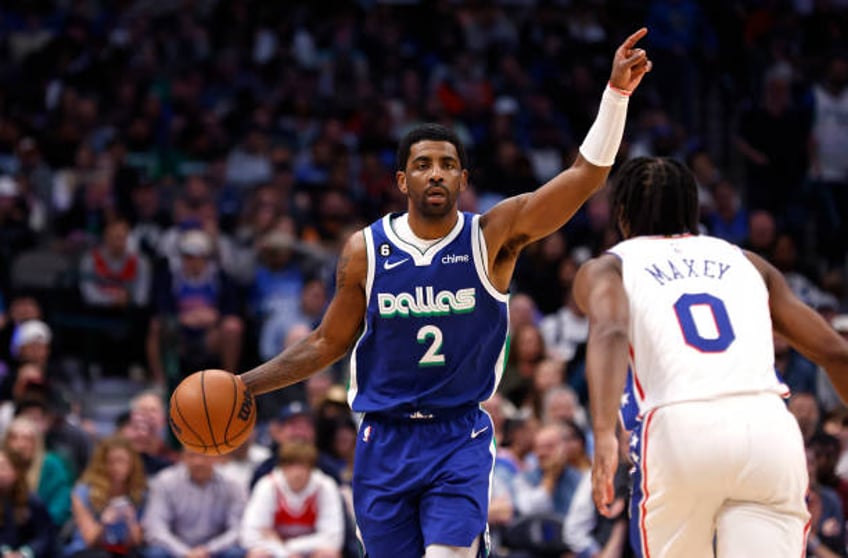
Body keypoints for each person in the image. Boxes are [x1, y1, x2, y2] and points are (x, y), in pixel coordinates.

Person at [239, 29, 652, 558]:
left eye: (447, 165)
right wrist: (246, 384)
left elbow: (584, 177)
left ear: (462, 179)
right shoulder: (365, 250)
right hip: (383, 439)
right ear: (401, 180)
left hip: (458, 436)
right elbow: (325, 343)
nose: (435, 173)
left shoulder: (491, 238)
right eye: (422, 165)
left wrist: (615, 97)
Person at [572, 155, 848, 557]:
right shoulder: (748, 262)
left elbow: (611, 330)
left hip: (680, 430)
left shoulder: (608, 269)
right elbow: (835, 352)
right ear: (693, 209)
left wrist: (601, 433)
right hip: (768, 427)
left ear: (621, 215)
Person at [142, 449, 247, 558]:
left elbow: (237, 529)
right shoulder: (165, 481)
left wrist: (208, 550)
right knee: (155, 553)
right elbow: (156, 527)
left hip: (215, 551)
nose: (198, 461)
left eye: (204, 456)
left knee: (235, 553)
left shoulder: (233, 485)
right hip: (175, 549)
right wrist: (185, 552)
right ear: (182, 457)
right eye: (191, 455)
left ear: (216, 457)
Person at [63, 435, 147, 558]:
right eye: (111, 462)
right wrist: (103, 523)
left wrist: (131, 522)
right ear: (102, 464)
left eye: (122, 461)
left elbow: (136, 543)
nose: (117, 467)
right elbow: (90, 541)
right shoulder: (83, 492)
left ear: (132, 464)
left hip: (124, 550)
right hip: (89, 551)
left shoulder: (141, 494)